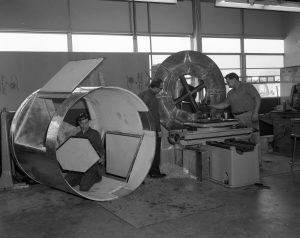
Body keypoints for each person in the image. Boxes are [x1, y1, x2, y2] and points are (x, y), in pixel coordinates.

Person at [210, 72, 261, 143]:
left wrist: (255, 113)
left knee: (254, 136)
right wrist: (212, 105)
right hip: (237, 118)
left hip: (249, 115)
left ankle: (256, 153)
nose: (227, 84)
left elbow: (257, 98)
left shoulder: (247, 86)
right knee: (242, 138)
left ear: (234, 79)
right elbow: (225, 104)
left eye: (228, 81)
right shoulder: (230, 93)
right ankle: (247, 153)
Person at [65, 112, 105, 191]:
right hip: (80, 164)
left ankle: (96, 176)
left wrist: (102, 157)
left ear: (88, 122)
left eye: (86, 123)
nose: (84, 125)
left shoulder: (95, 134)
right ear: (79, 123)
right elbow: (75, 151)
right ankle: (82, 176)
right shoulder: (77, 135)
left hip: (92, 165)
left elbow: (101, 149)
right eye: (82, 123)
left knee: (84, 188)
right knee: (66, 182)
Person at [138, 78, 166, 178]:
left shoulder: (141, 94)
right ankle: (154, 171)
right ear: (154, 87)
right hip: (152, 129)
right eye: (160, 88)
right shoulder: (153, 99)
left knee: (146, 150)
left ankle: (147, 170)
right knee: (155, 150)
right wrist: (158, 130)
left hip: (142, 127)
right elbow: (155, 117)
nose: (161, 90)